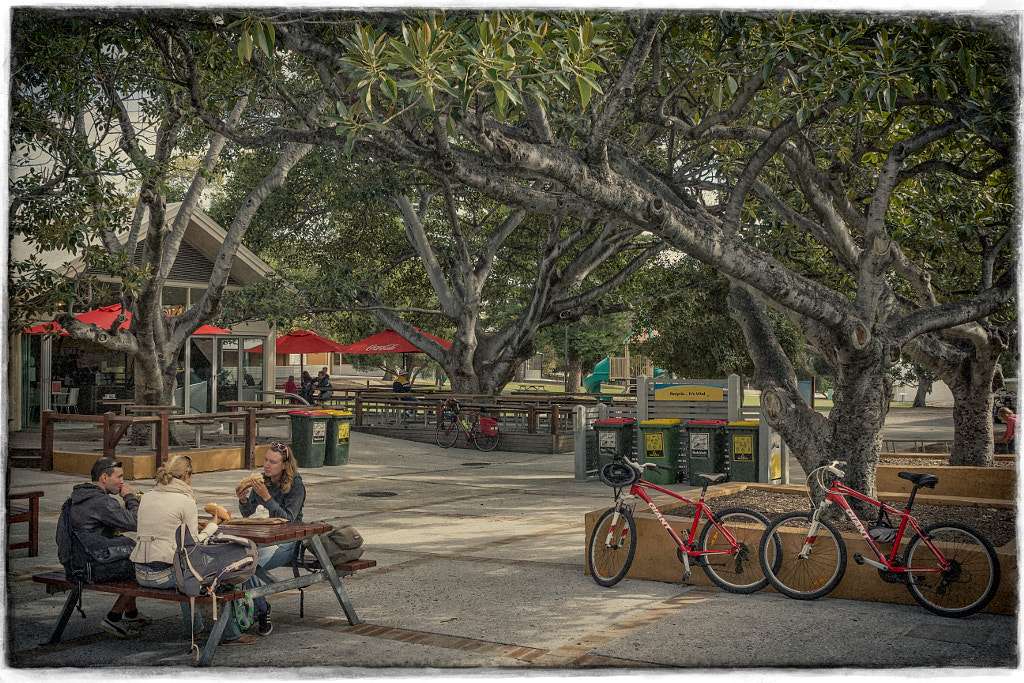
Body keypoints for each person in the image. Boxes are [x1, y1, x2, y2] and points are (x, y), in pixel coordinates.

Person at [130, 456, 259, 645]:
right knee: (215, 572)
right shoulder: (185, 501)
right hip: (166, 577)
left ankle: (195, 629)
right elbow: (194, 544)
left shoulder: (147, 496)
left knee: (182, 566)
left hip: (141, 573)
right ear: (186, 475)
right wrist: (213, 524)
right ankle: (232, 634)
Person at [63, 457, 151, 639]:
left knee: (132, 557)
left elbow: (103, 526)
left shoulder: (80, 497)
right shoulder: (100, 501)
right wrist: (130, 498)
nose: (122, 482)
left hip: (76, 562)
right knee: (141, 565)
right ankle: (114, 617)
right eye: (119, 477)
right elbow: (136, 521)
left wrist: (118, 514)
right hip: (87, 567)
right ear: (104, 477)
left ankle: (132, 614)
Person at [234, 442, 306, 637]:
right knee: (241, 560)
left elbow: (289, 520)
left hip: (288, 541)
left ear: (284, 465)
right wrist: (243, 500)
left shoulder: (296, 485)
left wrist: (266, 497)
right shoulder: (261, 481)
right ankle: (262, 607)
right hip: (261, 538)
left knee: (249, 564)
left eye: (273, 462)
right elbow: (250, 515)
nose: (267, 465)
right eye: (266, 460)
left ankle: (257, 610)